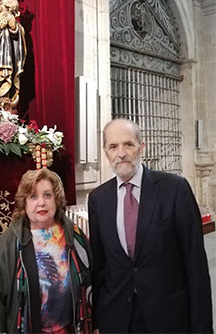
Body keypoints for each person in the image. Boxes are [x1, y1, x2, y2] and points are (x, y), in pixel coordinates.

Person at [88, 118, 213, 333]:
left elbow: (196, 267)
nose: (121, 153)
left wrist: (202, 328)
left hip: (168, 318)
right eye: (113, 146)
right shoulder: (98, 199)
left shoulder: (175, 189)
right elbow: (100, 266)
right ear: (105, 152)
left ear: (141, 147)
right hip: (117, 319)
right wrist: (99, 321)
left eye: (129, 144)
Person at [0, 168, 93, 333]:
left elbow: (93, 284)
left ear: (57, 199)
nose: (41, 202)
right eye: (33, 196)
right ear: (24, 203)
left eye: (47, 195)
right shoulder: (10, 242)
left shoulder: (75, 235)